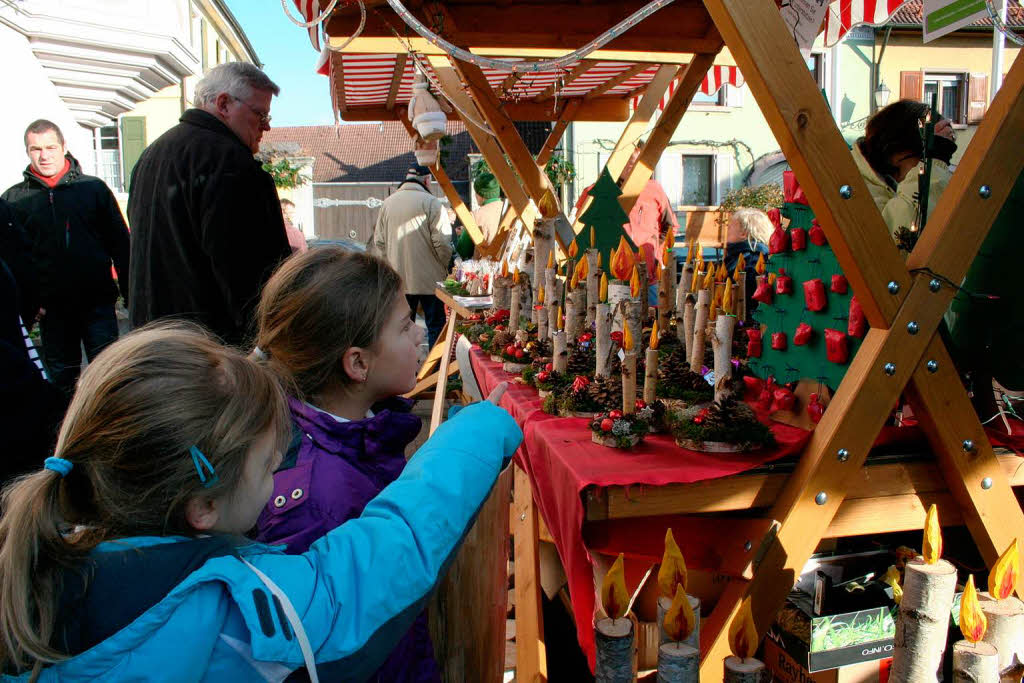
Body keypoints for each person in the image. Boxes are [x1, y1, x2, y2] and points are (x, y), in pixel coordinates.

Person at [0, 323, 521, 680]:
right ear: (203, 507)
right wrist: (475, 436)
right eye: (268, 468)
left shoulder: (31, 576)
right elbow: (379, 562)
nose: (277, 481)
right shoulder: (230, 610)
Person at [251, 247, 439, 681]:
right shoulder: (315, 498)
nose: (418, 335)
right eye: (405, 325)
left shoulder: (360, 434)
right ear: (357, 363)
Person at [127, 62, 291, 345]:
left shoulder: (151, 154)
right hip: (210, 348)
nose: (267, 126)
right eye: (260, 114)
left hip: (151, 340)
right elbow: (250, 275)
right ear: (224, 104)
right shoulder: (232, 164)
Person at [1, 120, 130, 396]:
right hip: (52, 311)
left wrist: (130, 292)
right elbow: (11, 261)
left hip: (97, 304)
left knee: (108, 378)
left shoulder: (93, 190)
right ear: (27, 152)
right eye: (36, 149)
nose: (44, 155)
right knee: (60, 383)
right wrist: (27, 304)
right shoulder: (13, 199)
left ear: (64, 148)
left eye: (50, 147)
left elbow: (120, 244)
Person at [370, 164, 452, 348]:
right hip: (431, 282)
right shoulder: (432, 203)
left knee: (402, 328)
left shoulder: (387, 203)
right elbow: (443, 243)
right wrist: (444, 266)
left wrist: (391, 266)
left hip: (399, 280)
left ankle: (406, 371)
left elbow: (379, 243)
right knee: (436, 327)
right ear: (427, 180)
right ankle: (433, 373)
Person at [851, 99, 957, 237]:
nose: (922, 165)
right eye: (922, 159)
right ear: (897, 155)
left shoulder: (880, 181)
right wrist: (933, 162)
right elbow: (900, 240)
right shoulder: (856, 187)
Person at [723, 207, 773, 320]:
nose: (727, 230)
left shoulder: (750, 260)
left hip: (744, 322)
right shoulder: (739, 255)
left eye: (730, 227)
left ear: (744, 234)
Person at [456, 171, 503, 261]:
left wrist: (461, 235)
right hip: (510, 270)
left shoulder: (475, 216)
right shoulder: (508, 210)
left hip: (484, 271)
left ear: (481, 194)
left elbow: (463, 251)